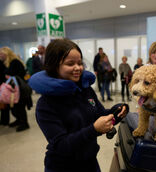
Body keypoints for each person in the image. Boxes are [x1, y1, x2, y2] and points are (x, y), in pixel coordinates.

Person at [28, 38, 129, 172]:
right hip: (63, 167)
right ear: (54, 66)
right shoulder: (46, 104)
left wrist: (117, 111)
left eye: (80, 63)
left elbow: (99, 116)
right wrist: (93, 130)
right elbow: (60, 145)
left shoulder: (85, 89)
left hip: (90, 162)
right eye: (70, 64)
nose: (78, 68)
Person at [0, 47, 30, 132]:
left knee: (19, 107)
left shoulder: (15, 62)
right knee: (14, 107)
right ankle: (19, 120)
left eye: (1, 54)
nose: (0, 55)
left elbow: (20, 74)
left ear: (7, 54)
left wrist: (8, 76)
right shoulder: (8, 63)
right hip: (13, 89)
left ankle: (24, 123)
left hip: (18, 89)